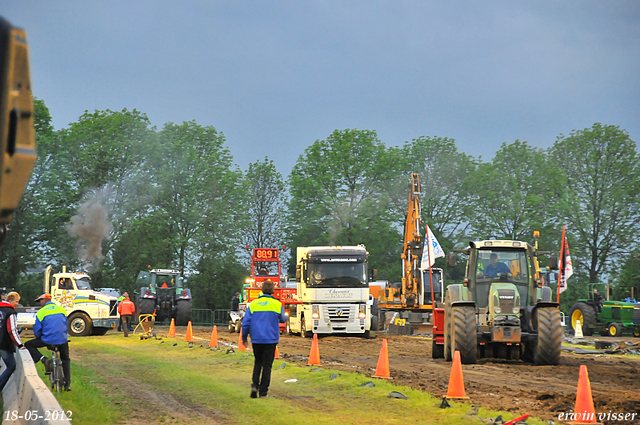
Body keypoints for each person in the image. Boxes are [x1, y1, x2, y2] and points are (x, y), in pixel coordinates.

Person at [241, 280, 287, 399]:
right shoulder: (277, 304)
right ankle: (263, 392)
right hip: (271, 339)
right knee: (267, 366)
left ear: (261, 290)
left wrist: (244, 338)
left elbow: (245, 323)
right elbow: (283, 319)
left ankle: (254, 386)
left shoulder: (253, 304)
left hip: (256, 339)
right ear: (273, 291)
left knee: (258, 363)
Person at [24, 293, 71, 391]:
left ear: (44, 300)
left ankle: (44, 359)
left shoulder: (41, 312)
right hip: (62, 339)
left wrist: (41, 336)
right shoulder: (61, 309)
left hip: (48, 340)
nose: (40, 303)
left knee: (28, 345)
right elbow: (64, 324)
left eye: (40, 301)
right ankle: (67, 384)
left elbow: (37, 330)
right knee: (65, 359)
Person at [0, 292, 26, 391]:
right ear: (10, 300)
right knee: (11, 366)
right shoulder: (10, 312)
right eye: (16, 301)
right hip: (4, 344)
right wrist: (20, 345)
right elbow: (12, 330)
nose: (17, 304)